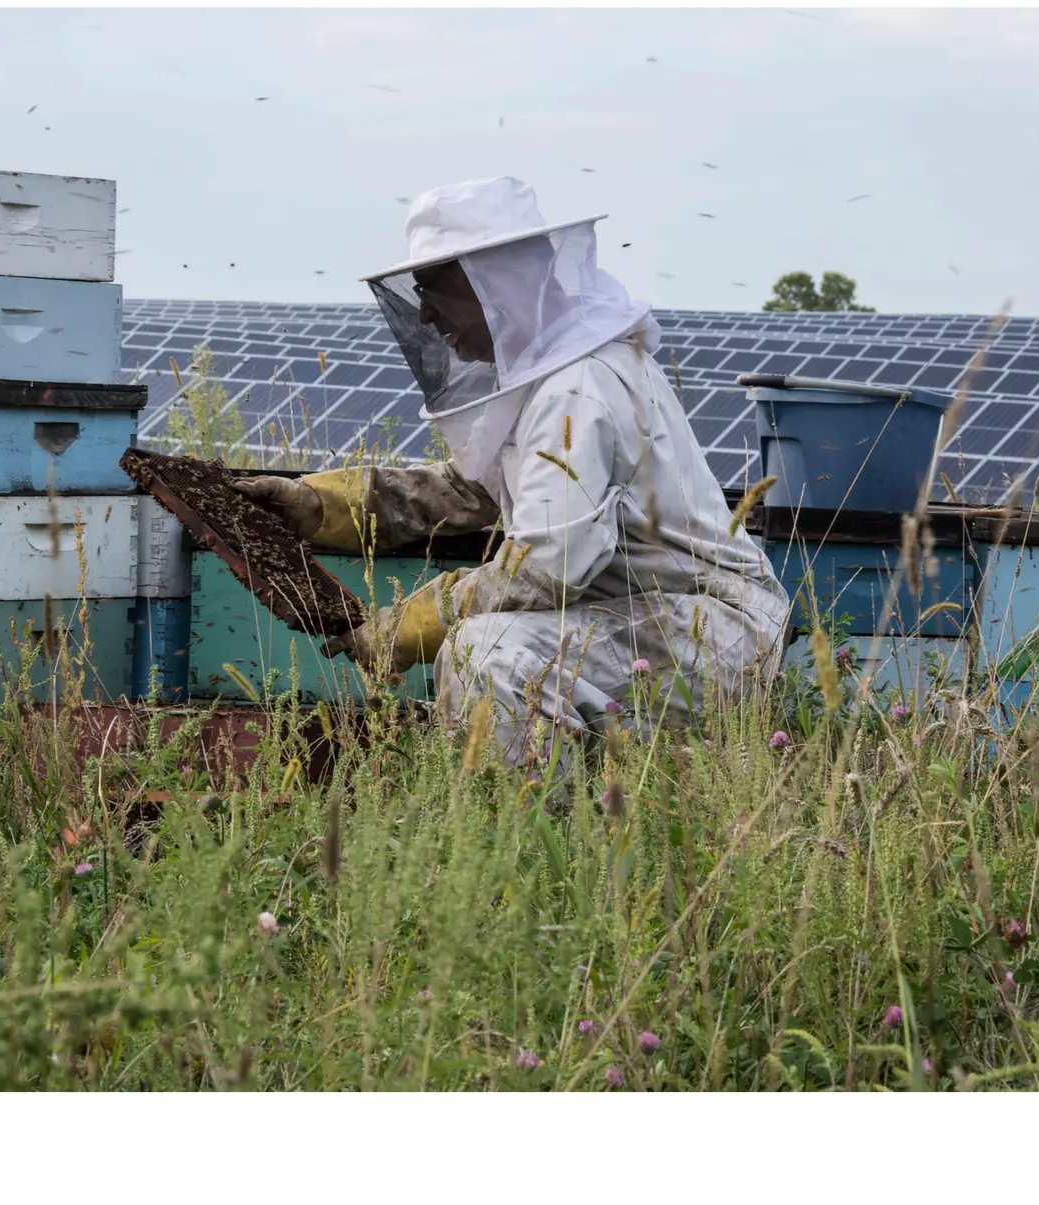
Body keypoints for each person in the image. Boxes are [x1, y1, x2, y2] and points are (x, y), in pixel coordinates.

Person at [235, 176, 790, 764]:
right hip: (648, 614)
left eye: (436, 291)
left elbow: (547, 565)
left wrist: (412, 623)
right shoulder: (546, 378)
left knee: (488, 651)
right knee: (491, 649)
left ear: (498, 286)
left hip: (706, 625)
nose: (424, 314)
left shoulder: (579, 387)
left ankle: (531, 840)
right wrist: (319, 505)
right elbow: (467, 489)